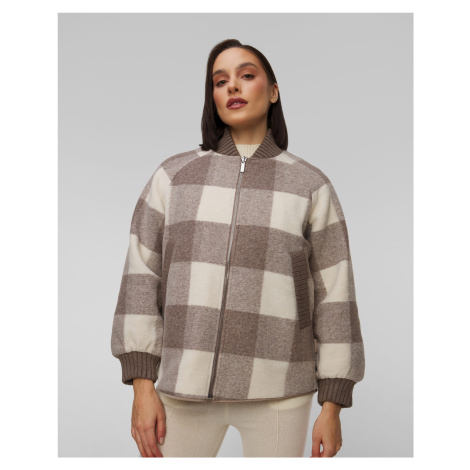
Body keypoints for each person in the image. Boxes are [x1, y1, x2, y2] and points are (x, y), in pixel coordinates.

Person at [111, 38, 365, 458]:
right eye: (220, 81)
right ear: (212, 97)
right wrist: (142, 386)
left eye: (246, 75)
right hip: (183, 385)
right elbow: (141, 278)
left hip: (280, 390)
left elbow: (335, 296)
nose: (232, 86)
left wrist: (332, 404)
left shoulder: (310, 186)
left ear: (273, 91)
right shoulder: (173, 177)